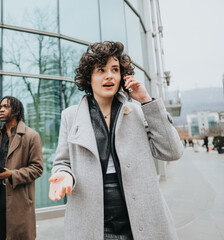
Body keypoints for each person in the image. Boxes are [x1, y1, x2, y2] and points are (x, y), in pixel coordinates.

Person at [48, 41, 184, 240]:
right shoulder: (71, 116)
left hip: (141, 218)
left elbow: (172, 151)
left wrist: (147, 101)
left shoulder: (139, 111)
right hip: (91, 219)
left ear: (122, 76)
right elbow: (63, 162)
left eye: (115, 69)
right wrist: (64, 174)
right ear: (90, 78)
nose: (109, 75)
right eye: (101, 70)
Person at [0, 96, 43, 240]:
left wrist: (11, 174)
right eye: (0, 107)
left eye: (6, 106)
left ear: (16, 110)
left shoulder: (31, 136)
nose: (1, 109)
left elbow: (37, 168)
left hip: (19, 201)